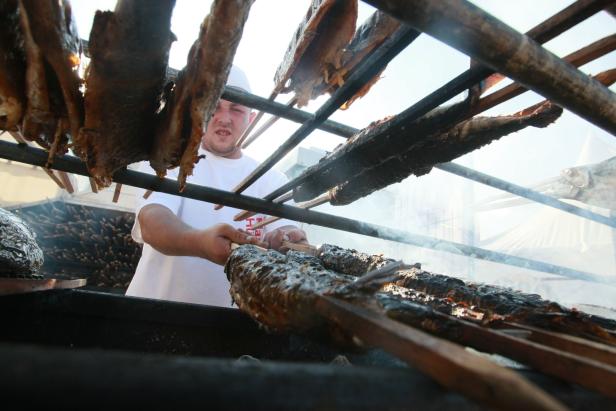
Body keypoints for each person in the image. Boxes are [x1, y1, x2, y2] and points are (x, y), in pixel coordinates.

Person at [126, 66, 307, 307]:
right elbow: (152, 222)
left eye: (236, 108)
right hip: (149, 315)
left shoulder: (272, 179)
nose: (224, 118)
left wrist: (289, 239)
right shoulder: (170, 159)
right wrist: (200, 242)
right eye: (216, 106)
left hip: (231, 332)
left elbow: (291, 235)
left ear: (251, 119)